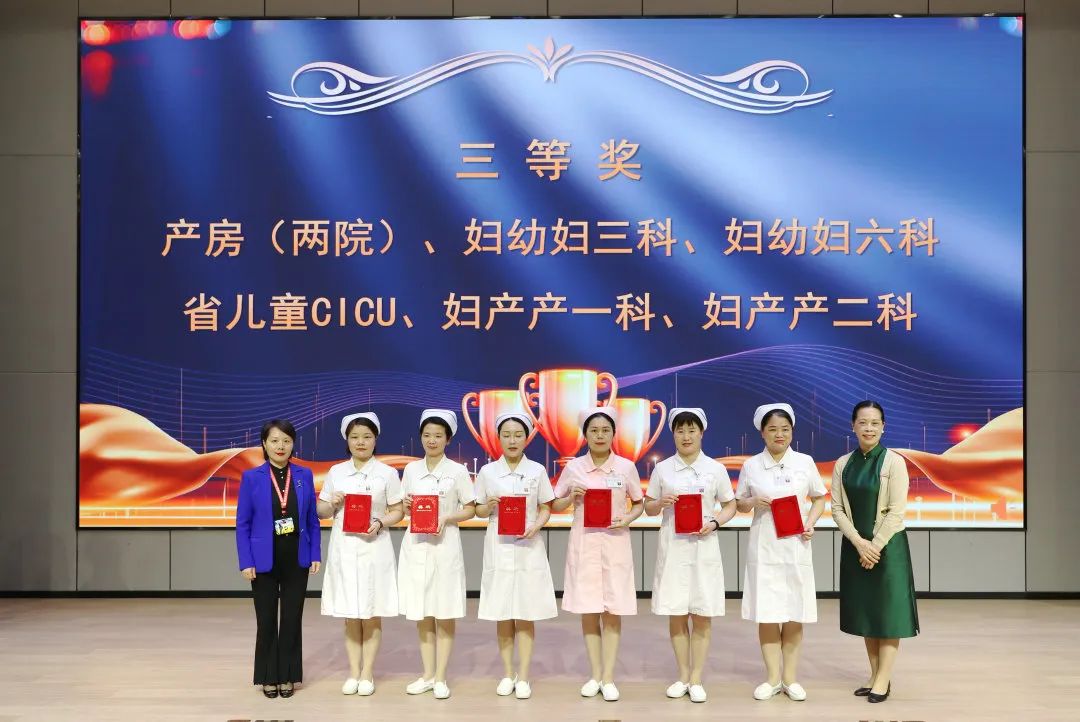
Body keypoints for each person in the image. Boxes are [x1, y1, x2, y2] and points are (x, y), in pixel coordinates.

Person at [644, 407, 737, 703]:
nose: (686, 436)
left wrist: (714, 523)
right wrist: (660, 502)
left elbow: (730, 505)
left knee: (702, 614)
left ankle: (696, 678)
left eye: (691, 430)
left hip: (703, 547)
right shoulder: (663, 469)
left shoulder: (715, 469)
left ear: (701, 432)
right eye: (680, 430)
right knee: (676, 613)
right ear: (673, 434)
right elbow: (648, 507)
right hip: (673, 548)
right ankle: (682, 675)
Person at [551, 406, 644, 702]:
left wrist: (626, 519)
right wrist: (570, 497)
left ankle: (609, 677)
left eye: (605, 430)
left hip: (615, 544)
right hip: (585, 545)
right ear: (585, 435)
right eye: (594, 430)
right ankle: (595, 676)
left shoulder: (626, 468)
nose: (600, 435)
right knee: (589, 610)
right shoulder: (574, 468)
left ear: (614, 434)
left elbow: (639, 503)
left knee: (612, 611)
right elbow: (554, 504)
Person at [735, 404, 826, 702]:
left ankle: (791, 679)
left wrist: (810, 523)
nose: (779, 435)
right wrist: (753, 502)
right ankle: (772, 678)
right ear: (762, 432)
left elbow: (819, 498)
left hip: (795, 545)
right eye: (772, 429)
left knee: (794, 611)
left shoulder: (804, 462)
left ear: (792, 432)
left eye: (785, 429)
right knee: (767, 612)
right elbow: (739, 504)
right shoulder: (751, 466)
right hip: (764, 546)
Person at [831, 400, 920, 704]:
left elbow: (897, 511)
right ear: (853, 426)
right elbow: (837, 509)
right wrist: (859, 543)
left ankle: (883, 678)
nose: (868, 428)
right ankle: (874, 675)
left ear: (883, 427)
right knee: (867, 614)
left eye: (875, 423)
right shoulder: (843, 464)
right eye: (863, 422)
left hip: (888, 548)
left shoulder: (894, 462)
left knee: (888, 615)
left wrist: (875, 546)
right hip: (856, 548)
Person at [317, 412, 404, 696]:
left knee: (371, 612)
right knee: (350, 614)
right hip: (344, 548)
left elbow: (398, 511)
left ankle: (368, 674)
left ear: (375, 439)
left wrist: (380, 522)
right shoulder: (336, 472)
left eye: (367, 437)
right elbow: (321, 511)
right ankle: (353, 672)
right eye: (354, 437)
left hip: (374, 547)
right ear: (347, 440)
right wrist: (332, 502)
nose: (361, 442)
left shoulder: (387, 473)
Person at [473, 411, 558, 700]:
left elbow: (546, 506)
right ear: (498, 438)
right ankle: (507, 674)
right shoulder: (488, 472)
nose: (512, 440)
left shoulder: (537, 470)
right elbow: (478, 510)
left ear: (526, 438)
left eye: (518, 435)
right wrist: (488, 506)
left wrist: (537, 525)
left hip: (528, 545)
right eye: (507, 435)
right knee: (502, 613)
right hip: (498, 545)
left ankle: (524, 675)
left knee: (525, 612)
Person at [235, 419, 321, 698]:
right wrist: (246, 561)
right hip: (263, 560)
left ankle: (288, 676)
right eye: (274, 441)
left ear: (293, 443)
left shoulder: (304, 475)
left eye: (286, 440)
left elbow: (312, 519)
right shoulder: (252, 477)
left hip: (297, 556)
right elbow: (243, 523)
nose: (280, 446)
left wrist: (315, 553)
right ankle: (268, 676)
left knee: (292, 619)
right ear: (264, 444)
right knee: (267, 619)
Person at [398, 409, 477, 700]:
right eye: (427, 435)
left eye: (438, 436)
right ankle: (427, 675)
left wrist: (447, 517)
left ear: (448, 439)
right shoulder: (411, 470)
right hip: (417, 545)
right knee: (422, 613)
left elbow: (470, 507)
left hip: (445, 547)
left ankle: (441, 677)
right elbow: (404, 507)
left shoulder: (457, 471)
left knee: (444, 612)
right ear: (420, 437)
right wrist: (407, 505)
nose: (432, 440)